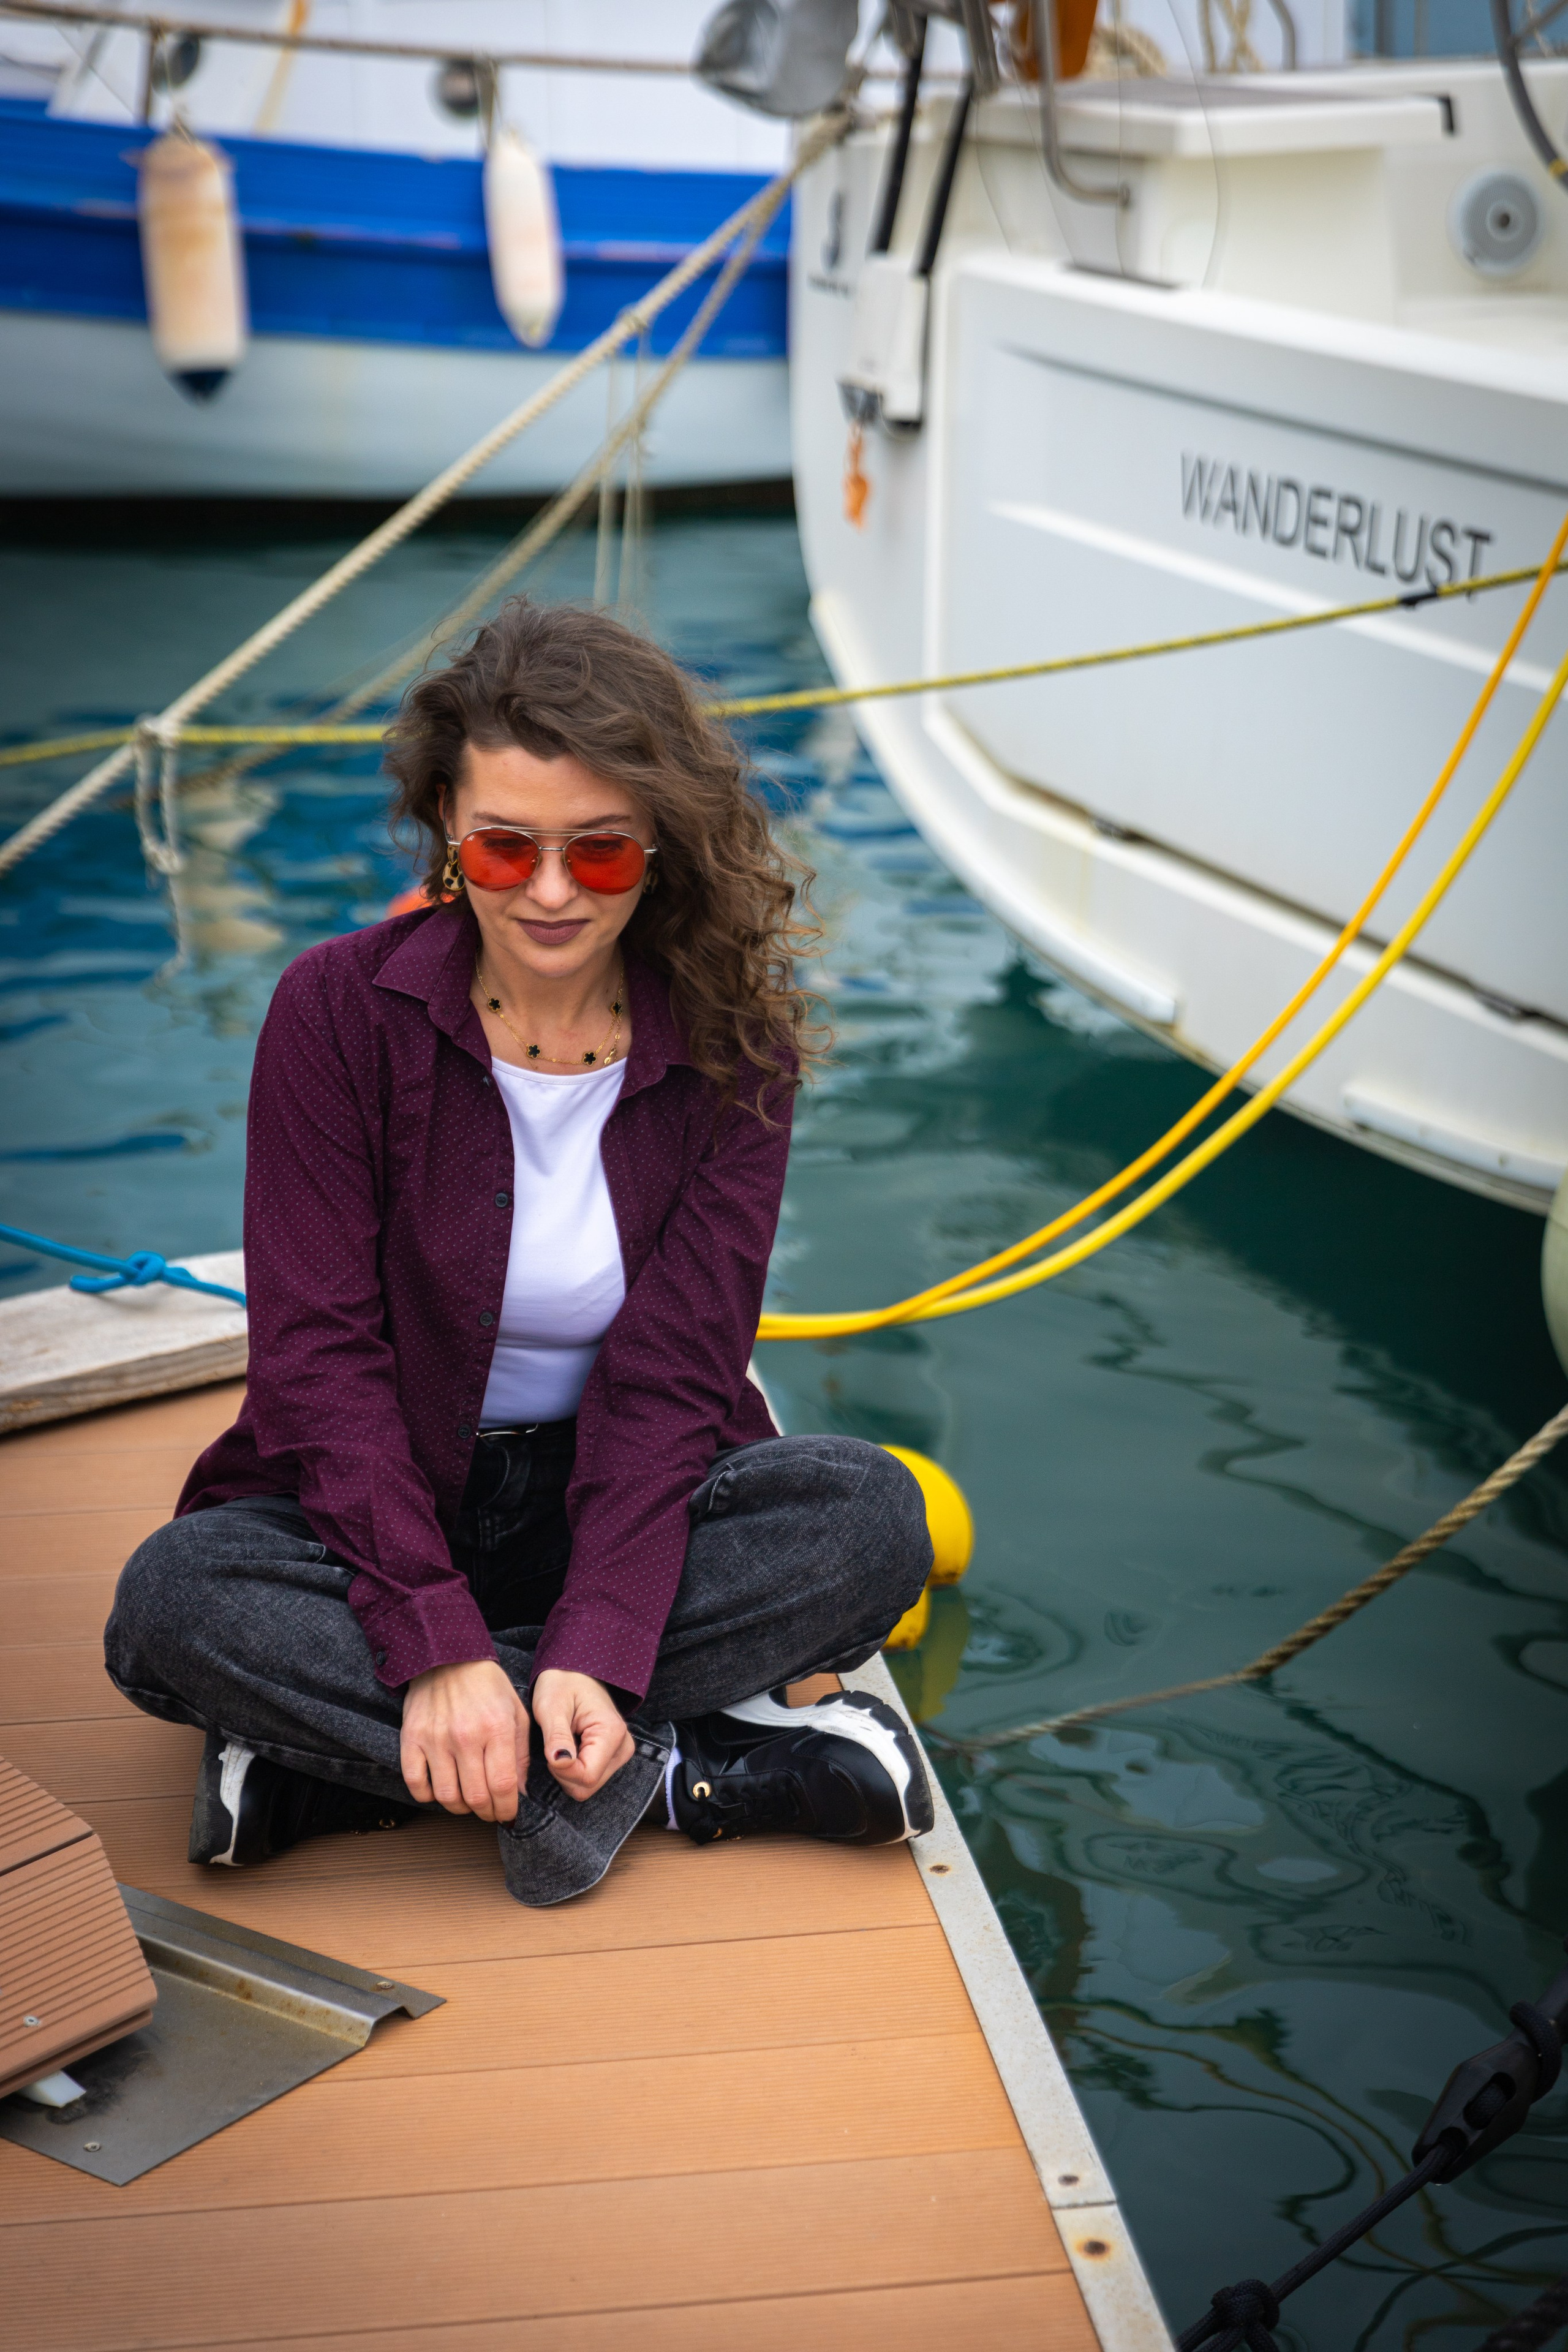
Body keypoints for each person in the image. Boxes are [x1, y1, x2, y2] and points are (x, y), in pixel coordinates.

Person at [105, 597, 933, 1908]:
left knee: (871, 1523)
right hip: (381, 1504)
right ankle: (676, 1776)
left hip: (621, 1501)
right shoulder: (333, 1011)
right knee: (175, 1603)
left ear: (658, 843)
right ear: (448, 826)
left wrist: (598, 1646)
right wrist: (433, 1643)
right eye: (506, 849)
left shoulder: (735, 1048)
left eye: (598, 854)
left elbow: (674, 1382)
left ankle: (340, 1766)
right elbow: (318, 1364)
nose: (549, 893)